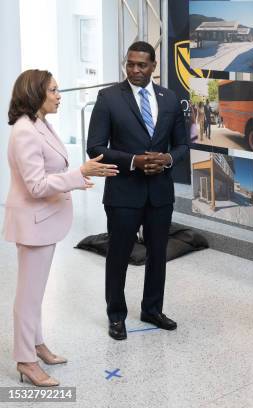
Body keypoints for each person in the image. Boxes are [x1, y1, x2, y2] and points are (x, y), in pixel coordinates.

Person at [3, 69, 118, 386]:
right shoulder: (25, 131)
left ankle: (37, 345)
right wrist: (80, 172)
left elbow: (50, 173)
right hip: (33, 224)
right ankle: (26, 360)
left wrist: (76, 181)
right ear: (35, 94)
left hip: (43, 223)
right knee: (28, 297)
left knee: (35, 294)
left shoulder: (40, 124)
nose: (59, 95)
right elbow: (36, 186)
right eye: (53, 90)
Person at [87, 41, 188, 341]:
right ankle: (116, 315)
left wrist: (167, 159)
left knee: (158, 254)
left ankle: (152, 309)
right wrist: (134, 161)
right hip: (123, 193)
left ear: (153, 66)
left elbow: (182, 145)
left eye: (141, 65)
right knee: (118, 255)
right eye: (130, 64)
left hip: (159, 193)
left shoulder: (169, 99)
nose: (134, 70)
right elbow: (95, 147)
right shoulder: (108, 98)